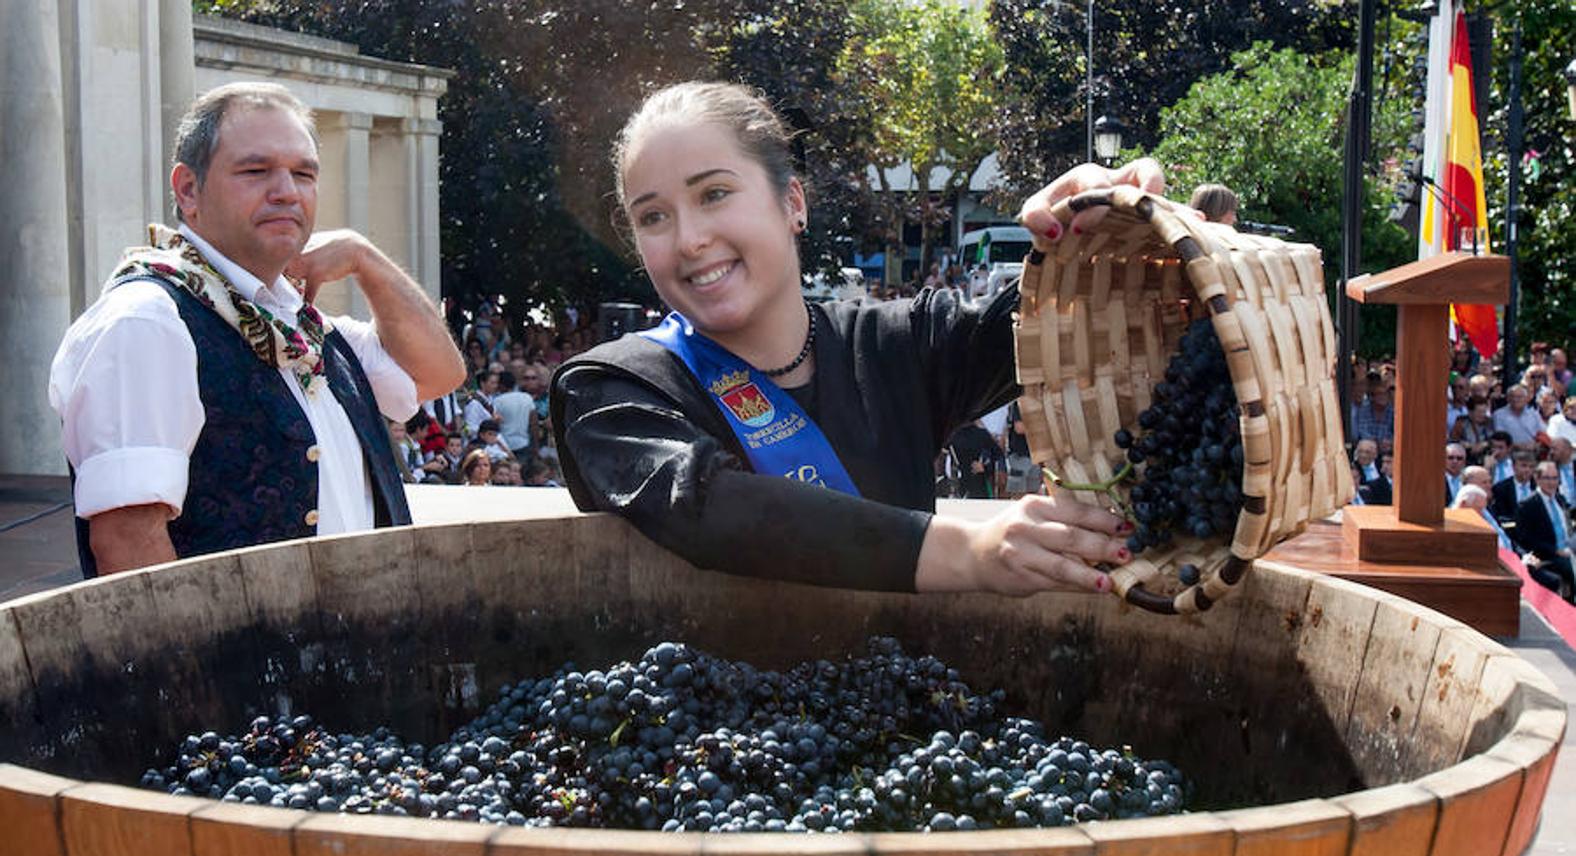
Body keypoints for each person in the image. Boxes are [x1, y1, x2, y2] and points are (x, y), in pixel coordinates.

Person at [551, 82, 1141, 595]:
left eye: (714, 194)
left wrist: (1096, 231)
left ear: (792, 202)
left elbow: (1072, 320)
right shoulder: (611, 390)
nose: (689, 239)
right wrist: (972, 553)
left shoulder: (899, 343)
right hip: (711, 722)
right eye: (653, 216)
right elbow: (710, 506)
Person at [48, 82, 463, 577]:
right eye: (255, 170)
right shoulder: (147, 320)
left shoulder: (307, 326)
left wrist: (363, 257)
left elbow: (438, 374)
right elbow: (128, 543)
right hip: (242, 656)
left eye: (304, 174)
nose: (287, 191)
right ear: (188, 190)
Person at [1514, 462, 1575, 597]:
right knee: (1571, 568)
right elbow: (1526, 538)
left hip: (1570, 550)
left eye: (1555, 478)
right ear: (1537, 478)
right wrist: (1555, 551)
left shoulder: (1560, 500)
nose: (1551, 483)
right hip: (1548, 555)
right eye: (1547, 478)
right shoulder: (1528, 505)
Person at [945, 420, 1006, 500]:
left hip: (977, 481)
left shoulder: (981, 434)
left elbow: (997, 454)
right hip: (958, 482)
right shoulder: (951, 435)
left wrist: (984, 466)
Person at [1452, 484, 1512, 551]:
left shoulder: (1483, 521)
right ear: (1463, 504)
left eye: (1483, 509)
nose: (1482, 514)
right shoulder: (1450, 525)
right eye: (1479, 509)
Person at [492, 370, 536, 458]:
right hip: (523, 444)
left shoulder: (497, 401)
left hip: (504, 445)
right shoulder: (527, 398)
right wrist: (535, 446)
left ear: (501, 385)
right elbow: (534, 424)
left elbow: (494, 424)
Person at [1491, 448, 1538, 523]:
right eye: (1523, 466)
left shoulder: (1538, 487)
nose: (1527, 470)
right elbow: (1501, 515)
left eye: (1531, 467)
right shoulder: (1501, 488)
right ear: (1513, 467)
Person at [1350, 374, 1394, 446]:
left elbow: (1395, 433)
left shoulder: (1392, 412)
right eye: (1379, 394)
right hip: (1370, 446)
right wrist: (1378, 443)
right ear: (1372, 397)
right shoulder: (1364, 410)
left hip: (1387, 447)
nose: (1383, 397)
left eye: (1385, 394)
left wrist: (1390, 442)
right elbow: (1363, 432)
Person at [1449, 397, 1494, 463]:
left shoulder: (1489, 422)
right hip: (1466, 456)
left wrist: (1484, 444)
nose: (1482, 415)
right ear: (1470, 411)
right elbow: (1453, 440)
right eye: (1479, 412)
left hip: (1486, 456)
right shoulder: (1461, 422)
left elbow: (1495, 439)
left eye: (1484, 412)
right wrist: (1467, 445)